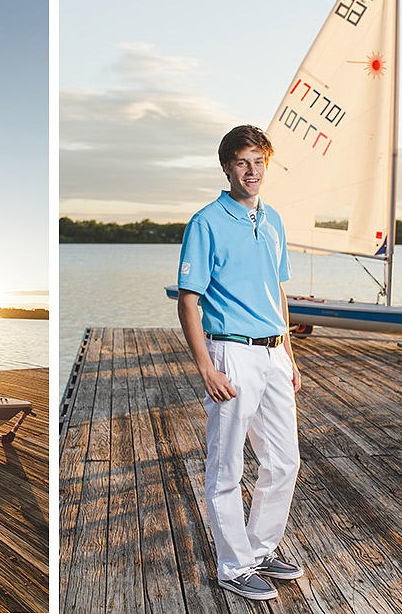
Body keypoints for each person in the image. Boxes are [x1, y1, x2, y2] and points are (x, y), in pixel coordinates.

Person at [176, 125, 302, 601]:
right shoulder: (206, 222)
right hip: (230, 352)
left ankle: (260, 548)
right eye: (243, 162)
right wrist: (207, 368)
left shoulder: (273, 221)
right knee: (226, 466)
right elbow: (189, 300)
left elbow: (279, 290)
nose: (252, 171)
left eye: (259, 162)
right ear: (227, 166)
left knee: (284, 461)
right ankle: (233, 565)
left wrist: (288, 353)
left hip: (274, 354)